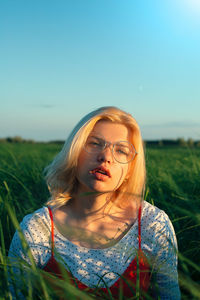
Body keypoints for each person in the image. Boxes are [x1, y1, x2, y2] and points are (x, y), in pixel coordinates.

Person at [8, 106, 181, 299]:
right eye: (95, 143)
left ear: (130, 170)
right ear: (75, 151)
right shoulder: (37, 230)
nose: (105, 157)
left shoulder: (152, 224)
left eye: (122, 151)